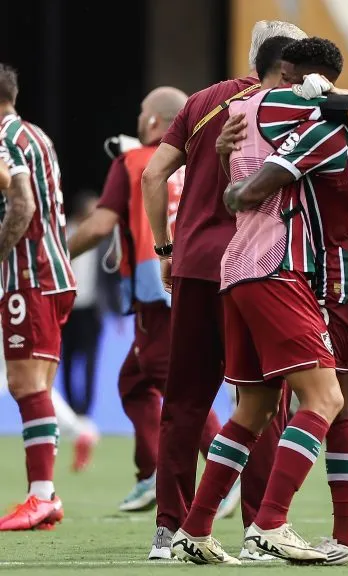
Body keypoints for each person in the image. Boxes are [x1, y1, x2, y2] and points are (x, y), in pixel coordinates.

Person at [168, 36, 348, 566]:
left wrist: (229, 171)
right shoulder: (303, 109)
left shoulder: (236, 112)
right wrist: (332, 98)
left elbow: (231, 182)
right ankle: (270, 523)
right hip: (279, 267)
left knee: (253, 410)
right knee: (325, 399)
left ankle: (194, 529)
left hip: (237, 267)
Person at [140, 20, 308, 561]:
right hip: (255, 267)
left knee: (184, 401)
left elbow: (152, 176)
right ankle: (261, 528)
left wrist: (165, 248)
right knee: (262, 401)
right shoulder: (290, 106)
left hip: (193, 264)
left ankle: (168, 529)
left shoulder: (200, 103)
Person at [67, 86, 191, 514]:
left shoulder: (133, 162)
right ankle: (151, 474)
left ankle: (225, 470)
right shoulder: (198, 162)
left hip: (155, 287)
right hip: (199, 282)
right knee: (134, 382)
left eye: (142, 111)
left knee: (177, 388)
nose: (139, 117)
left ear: (153, 120)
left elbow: (99, 226)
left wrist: (54, 255)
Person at [0, 63, 79, 531]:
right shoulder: (36, 135)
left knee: (25, 384)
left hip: (28, 275)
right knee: (37, 386)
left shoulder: (3, 139)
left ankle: (41, 496)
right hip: (56, 272)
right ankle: (46, 496)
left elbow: (24, 203)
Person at [61, 193, 103, 419]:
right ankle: (71, 408)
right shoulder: (63, 234)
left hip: (92, 309)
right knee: (67, 359)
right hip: (67, 308)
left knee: (90, 360)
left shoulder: (100, 238)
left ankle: (85, 411)